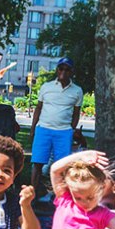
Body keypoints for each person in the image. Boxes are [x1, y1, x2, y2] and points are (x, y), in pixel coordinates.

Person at [29, 57, 84, 195]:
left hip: (64, 132)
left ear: (72, 72)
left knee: (63, 166)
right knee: (37, 163)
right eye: (61, 68)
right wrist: (33, 129)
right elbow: (38, 108)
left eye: (67, 69)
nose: (63, 72)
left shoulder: (77, 91)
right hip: (43, 129)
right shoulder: (46, 87)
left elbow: (76, 113)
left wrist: (71, 129)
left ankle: (59, 197)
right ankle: (32, 195)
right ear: (57, 70)